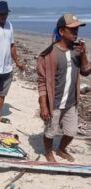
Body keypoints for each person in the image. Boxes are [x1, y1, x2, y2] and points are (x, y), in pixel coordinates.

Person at [37, 13, 91, 162]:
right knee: (50, 132)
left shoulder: (77, 50)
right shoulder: (47, 55)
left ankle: (61, 149)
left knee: (71, 131)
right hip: (54, 102)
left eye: (77, 29)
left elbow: (86, 71)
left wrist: (84, 54)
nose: (76, 32)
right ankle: (49, 153)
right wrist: (43, 105)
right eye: (72, 30)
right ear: (61, 31)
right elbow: (41, 82)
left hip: (71, 103)